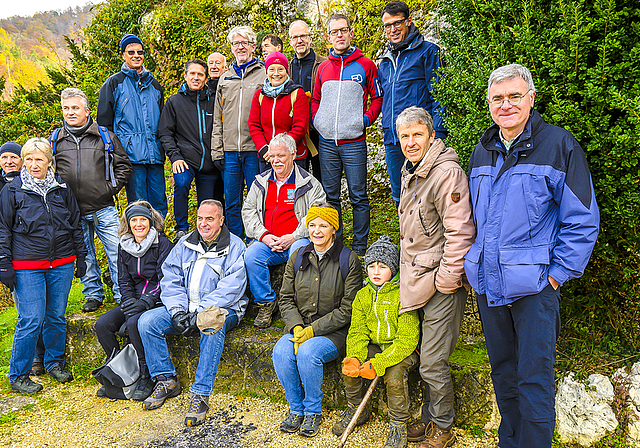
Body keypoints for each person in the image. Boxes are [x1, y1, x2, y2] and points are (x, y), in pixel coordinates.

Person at [465, 64, 599, 448]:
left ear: (531, 99)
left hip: (535, 288)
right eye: (498, 98)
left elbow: (582, 219)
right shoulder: (483, 150)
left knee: (534, 380)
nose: (505, 105)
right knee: (504, 376)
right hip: (490, 286)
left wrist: (557, 274)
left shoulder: (558, 145)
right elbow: (475, 218)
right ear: (489, 103)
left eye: (514, 96)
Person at [396, 107, 475, 448]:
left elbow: (460, 231)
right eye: (404, 136)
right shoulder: (411, 169)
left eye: (416, 134)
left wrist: (447, 279)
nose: (410, 142)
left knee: (432, 359)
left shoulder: (447, 173)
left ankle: (442, 426)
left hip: (440, 279)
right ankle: (430, 417)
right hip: (418, 276)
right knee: (426, 355)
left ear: (430, 135)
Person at [138, 200, 248, 427]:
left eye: (210, 218)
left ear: (221, 220)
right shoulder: (185, 243)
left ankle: (200, 394)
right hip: (185, 308)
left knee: (211, 324)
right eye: (200, 218)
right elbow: (170, 278)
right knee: (147, 322)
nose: (204, 223)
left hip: (223, 309)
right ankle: (166, 379)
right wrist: (178, 311)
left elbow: (231, 289)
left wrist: (198, 312)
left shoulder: (236, 246)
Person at [0, 138, 87, 393]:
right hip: (27, 264)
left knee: (55, 316)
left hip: (62, 262)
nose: (33, 164)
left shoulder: (62, 188)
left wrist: (80, 257)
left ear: (50, 161)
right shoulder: (13, 190)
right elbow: (3, 229)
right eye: (28, 159)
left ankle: (54, 362)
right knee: (31, 319)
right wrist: (4, 263)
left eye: (39, 159)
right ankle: (18, 375)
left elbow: (75, 224)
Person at [272, 202, 362, 438]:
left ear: (334, 228)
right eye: (312, 225)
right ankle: (296, 409)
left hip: (334, 332)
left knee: (308, 353)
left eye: (323, 225)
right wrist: (297, 326)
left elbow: (348, 309)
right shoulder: (297, 256)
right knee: (280, 351)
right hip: (300, 327)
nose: (317, 231)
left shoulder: (348, 259)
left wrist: (313, 330)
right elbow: (285, 298)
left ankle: (313, 411)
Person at [334, 235, 420, 448]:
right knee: (350, 367)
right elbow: (357, 331)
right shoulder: (362, 295)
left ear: (393, 268)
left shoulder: (403, 295)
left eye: (382, 267)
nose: (376, 272)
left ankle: (398, 424)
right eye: (371, 266)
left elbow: (407, 339)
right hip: (375, 345)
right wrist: (355, 355)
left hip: (402, 350)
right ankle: (356, 409)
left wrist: (379, 363)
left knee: (394, 375)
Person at [53, 87, 133, 313]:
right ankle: (93, 294)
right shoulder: (56, 140)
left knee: (117, 252)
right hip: (73, 211)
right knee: (85, 255)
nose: (70, 112)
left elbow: (124, 167)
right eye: (66, 108)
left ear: (86, 111)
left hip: (103, 208)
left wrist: (109, 189)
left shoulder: (104, 136)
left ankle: (122, 294)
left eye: (75, 108)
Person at [310, 14, 383, 256]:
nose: (339, 35)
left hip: (354, 142)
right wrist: (317, 121)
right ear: (328, 37)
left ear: (351, 33)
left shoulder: (366, 65)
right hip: (328, 143)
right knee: (331, 196)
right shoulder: (323, 68)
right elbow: (316, 99)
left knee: (358, 194)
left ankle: (360, 246)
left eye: (343, 30)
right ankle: (335, 243)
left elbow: (378, 97)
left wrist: (365, 120)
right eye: (334, 32)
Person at [242, 133, 325, 328]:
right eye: (272, 156)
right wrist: (264, 235)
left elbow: (317, 214)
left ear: (294, 154)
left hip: (297, 240)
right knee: (251, 256)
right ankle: (266, 302)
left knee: (299, 252)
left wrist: (294, 236)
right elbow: (248, 211)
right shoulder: (260, 182)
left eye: (281, 155)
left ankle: (297, 305)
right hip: (268, 241)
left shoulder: (309, 183)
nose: (276, 160)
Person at [94, 201, 173, 400]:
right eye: (134, 220)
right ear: (128, 224)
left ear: (151, 222)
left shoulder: (162, 244)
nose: (139, 224)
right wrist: (129, 303)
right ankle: (118, 371)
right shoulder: (124, 246)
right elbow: (124, 279)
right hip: (134, 301)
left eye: (143, 220)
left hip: (157, 300)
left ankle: (145, 377)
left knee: (133, 324)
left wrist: (146, 302)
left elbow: (165, 279)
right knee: (102, 324)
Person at [378, 1, 447, 207]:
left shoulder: (428, 52)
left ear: (408, 21)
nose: (393, 29)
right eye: (387, 26)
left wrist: (439, 134)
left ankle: (430, 238)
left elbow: (440, 96)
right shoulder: (385, 62)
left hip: (421, 138)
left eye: (397, 23)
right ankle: (405, 238)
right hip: (393, 138)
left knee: (426, 192)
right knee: (399, 194)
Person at [97, 33, 168, 217]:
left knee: (159, 202)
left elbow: (163, 122)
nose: (136, 55)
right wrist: (114, 155)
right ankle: (141, 243)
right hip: (130, 156)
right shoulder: (113, 83)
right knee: (138, 204)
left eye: (140, 52)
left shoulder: (155, 85)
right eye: (131, 52)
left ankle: (159, 240)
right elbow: (104, 125)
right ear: (123, 55)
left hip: (155, 155)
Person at [159, 59, 222, 240]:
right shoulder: (174, 102)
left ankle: (206, 234)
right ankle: (181, 228)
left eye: (200, 74)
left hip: (210, 162)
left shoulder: (214, 100)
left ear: (206, 77)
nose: (196, 78)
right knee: (181, 182)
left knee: (207, 203)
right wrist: (175, 157)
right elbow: (165, 133)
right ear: (185, 76)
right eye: (192, 74)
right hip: (185, 159)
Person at [211, 26, 265, 238]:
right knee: (232, 201)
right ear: (231, 48)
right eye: (236, 44)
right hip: (230, 151)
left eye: (244, 43)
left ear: (253, 46)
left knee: (256, 201)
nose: (240, 47)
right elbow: (218, 118)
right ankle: (234, 242)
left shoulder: (263, 73)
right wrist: (217, 150)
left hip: (255, 149)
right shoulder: (225, 78)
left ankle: (254, 241)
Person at [248, 52, 310, 173]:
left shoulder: (297, 93)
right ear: (267, 72)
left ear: (287, 71)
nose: (276, 73)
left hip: (293, 156)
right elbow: (254, 125)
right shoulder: (259, 95)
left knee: (294, 191)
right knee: (268, 190)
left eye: (280, 69)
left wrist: (281, 150)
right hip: (267, 156)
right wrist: (264, 149)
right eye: (272, 69)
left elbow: (300, 126)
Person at [288, 20, 326, 182]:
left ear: (310, 38)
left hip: (320, 132)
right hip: (296, 133)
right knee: (298, 179)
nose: (299, 40)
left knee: (322, 178)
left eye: (303, 36)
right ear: (290, 41)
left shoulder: (324, 64)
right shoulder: (286, 68)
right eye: (295, 37)